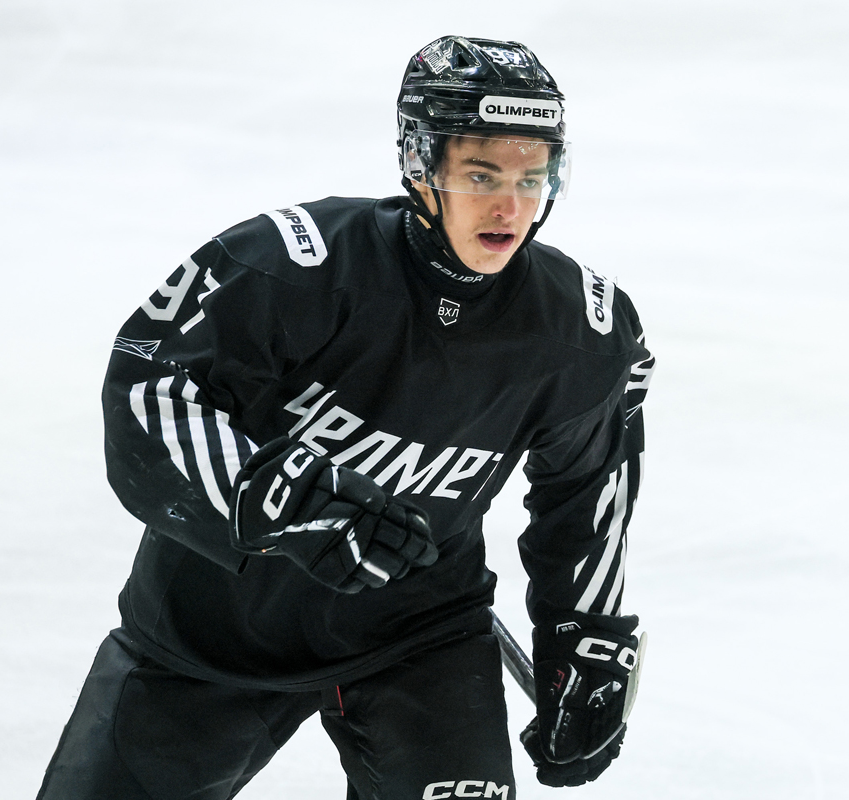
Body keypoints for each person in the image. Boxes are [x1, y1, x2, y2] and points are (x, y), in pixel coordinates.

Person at [37, 35, 654, 799]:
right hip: (213, 635)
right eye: (481, 174)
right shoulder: (292, 264)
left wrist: (585, 640)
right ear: (419, 163)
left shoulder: (583, 329)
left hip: (419, 639)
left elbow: (585, 496)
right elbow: (150, 387)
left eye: (533, 176)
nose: (511, 206)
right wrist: (274, 499)